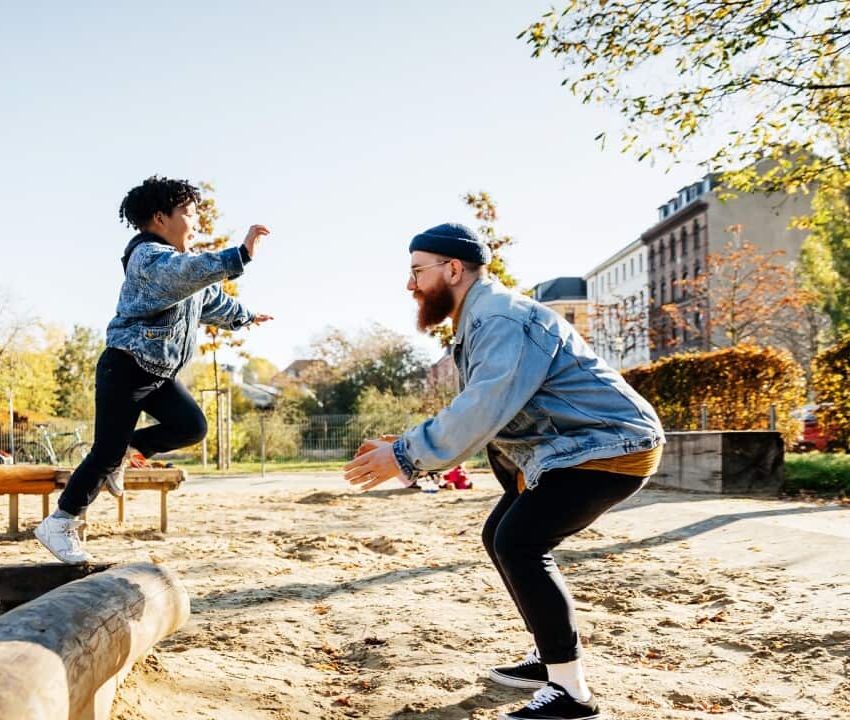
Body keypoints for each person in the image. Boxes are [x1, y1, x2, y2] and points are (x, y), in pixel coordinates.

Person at [343, 223, 664, 720]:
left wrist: (405, 457)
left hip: (607, 445)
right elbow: (484, 412)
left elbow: (483, 406)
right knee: (502, 534)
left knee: (520, 542)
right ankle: (550, 657)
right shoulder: (480, 319)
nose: (410, 285)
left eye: (416, 272)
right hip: (572, 447)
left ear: (452, 269)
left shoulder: (498, 318)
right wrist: (402, 446)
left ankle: (571, 693)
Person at [34, 175, 273, 564]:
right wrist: (239, 254)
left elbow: (211, 300)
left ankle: (132, 451)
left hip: (158, 373)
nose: (195, 224)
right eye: (189, 215)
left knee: (192, 426)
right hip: (126, 367)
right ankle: (60, 521)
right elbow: (190, 273)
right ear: (161, 219)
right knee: (105, 453)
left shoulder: (180, 269)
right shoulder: (149, 258)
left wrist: (246, 316)